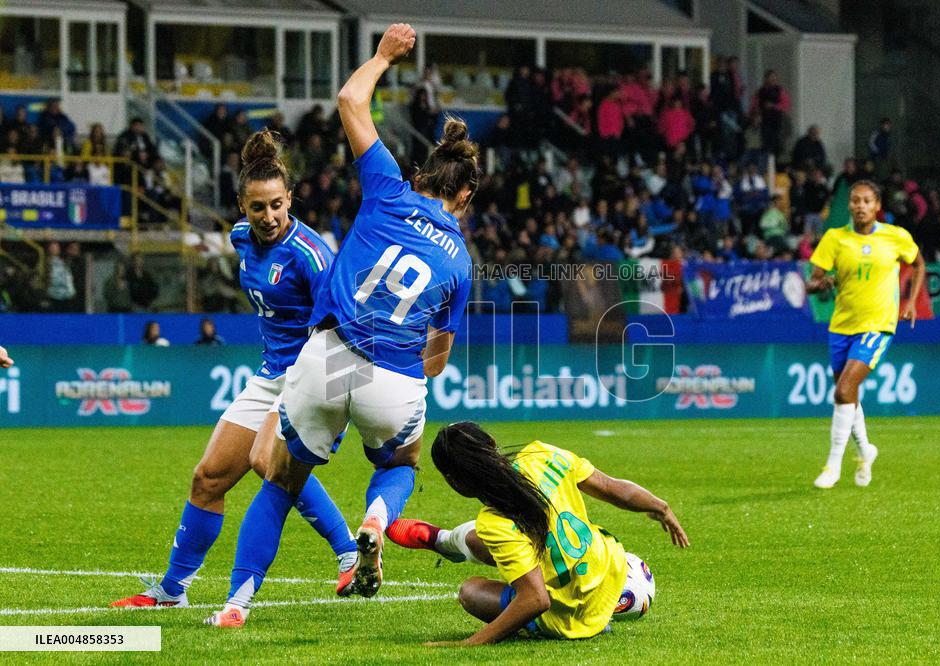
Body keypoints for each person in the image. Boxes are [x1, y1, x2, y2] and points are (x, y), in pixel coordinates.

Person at [205, 23, 474, 627]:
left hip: (328, 354)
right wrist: (402, 377)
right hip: (396, 375)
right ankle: (375, 522)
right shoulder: (460, 260)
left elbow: (351, 100)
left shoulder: (387, 189)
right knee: (399, 465)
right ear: (465, 197)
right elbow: (440, 355)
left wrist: (383, 56)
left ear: (424, 178)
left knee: (279, 479)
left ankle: (236, 604)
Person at [111, 129, 355, 609]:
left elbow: (341, 327)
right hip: (271, 374)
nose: (269, 217)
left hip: (313, 373)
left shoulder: (312, 256)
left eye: (277, 205)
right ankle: (172, 590)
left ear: (290, 200)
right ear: (242, 207)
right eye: (258, 207)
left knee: (268, 461)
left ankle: (350, 553)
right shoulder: (241, 239)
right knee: (208, 477)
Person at [385, 422, 689, 645]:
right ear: (491, 442)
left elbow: (536, 600)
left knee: (471, 591)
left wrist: (469, 643)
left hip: (570, 615)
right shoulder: (542, 454)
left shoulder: (495, 521)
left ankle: (446, 541)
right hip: (610, 569)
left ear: (456, 483)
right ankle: (443, 540)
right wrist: (660, 507)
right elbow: (611, 487)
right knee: (481, 541)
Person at [806, 180, 926, 489]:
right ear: (849, 205)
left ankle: (832, 466)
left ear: (877, 206)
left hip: (877, 325)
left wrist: (911, 302)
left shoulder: (895, 236)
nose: (860, 206)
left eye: (867, 201)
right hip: (841, 326)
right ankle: (866, 451)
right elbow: (813, 281)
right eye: (856, 200)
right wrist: (823, 283)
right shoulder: (835, 239)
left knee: (843, 390)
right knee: (849, 396)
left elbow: (918, 262)